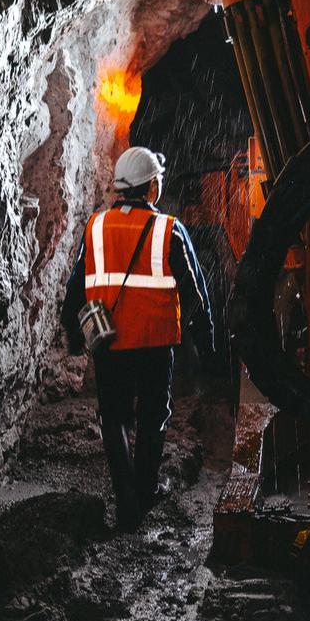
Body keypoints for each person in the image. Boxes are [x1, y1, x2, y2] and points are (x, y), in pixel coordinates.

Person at [61, 146, 215, 531]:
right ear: (150, 187)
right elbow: (194, 294)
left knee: (113, 418)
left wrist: (72, 332)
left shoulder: (96, 226)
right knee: (152, 417)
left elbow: (76, 285)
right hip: (153, 341)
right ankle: (144, 491)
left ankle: (125, 496)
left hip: (108, 342)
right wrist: (207, 343)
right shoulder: (169, 229)